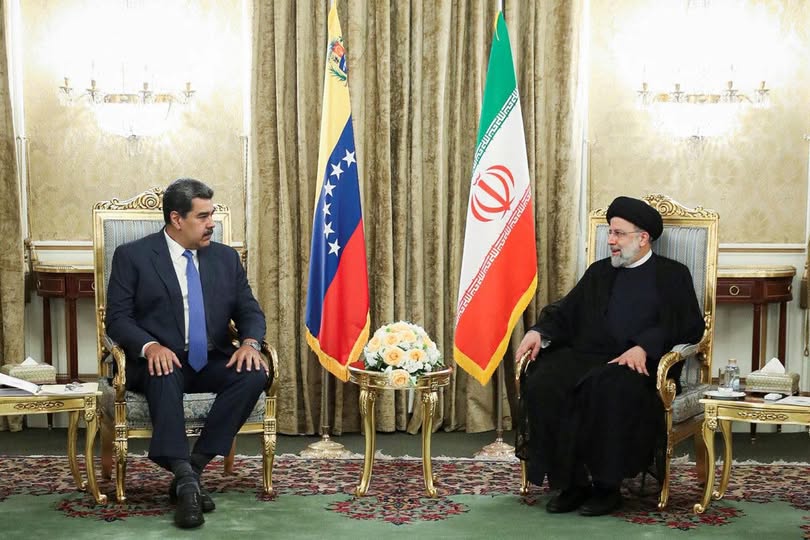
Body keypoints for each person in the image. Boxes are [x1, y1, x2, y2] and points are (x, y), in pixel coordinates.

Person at [514, 196, 704, 516]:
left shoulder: (672, 274)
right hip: (588, 354)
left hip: (639, 364)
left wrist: (644, 346)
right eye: (609, 233)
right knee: (545, 381)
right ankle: (571, 484)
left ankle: (606, 487)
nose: (610, 241)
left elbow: (688, 325)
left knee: (608, 388)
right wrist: (539, 332)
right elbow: (567, 311)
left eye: (618, 234)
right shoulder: (599, 272)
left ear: (643, 238)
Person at [105, 178, 270, 529]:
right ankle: (187, 479)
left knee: (254, 372)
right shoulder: (133, 256)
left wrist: (250, 343)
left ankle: (189, 473)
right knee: (164, 369)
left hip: (209, 358)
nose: (212, 223)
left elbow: (249, 311)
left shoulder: (226, 258)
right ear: (177, 219)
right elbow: (117, 319)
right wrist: (150, 346)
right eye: (203, 216)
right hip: (155, 360)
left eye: (212, 215)